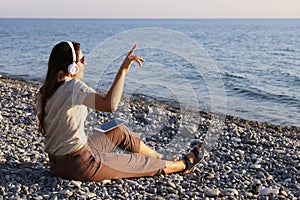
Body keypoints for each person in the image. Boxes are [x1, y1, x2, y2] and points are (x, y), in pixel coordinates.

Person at [35, 41, 204, 181]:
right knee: (139, 163)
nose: (84, 63)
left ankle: (160, 159)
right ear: (72, 67)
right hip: (80, 165)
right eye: (82, 59)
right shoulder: (73, 87)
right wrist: (123, 70)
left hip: (58, 164)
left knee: (117, 129)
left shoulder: (44, 92)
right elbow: (110, 105)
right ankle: (182, 165)